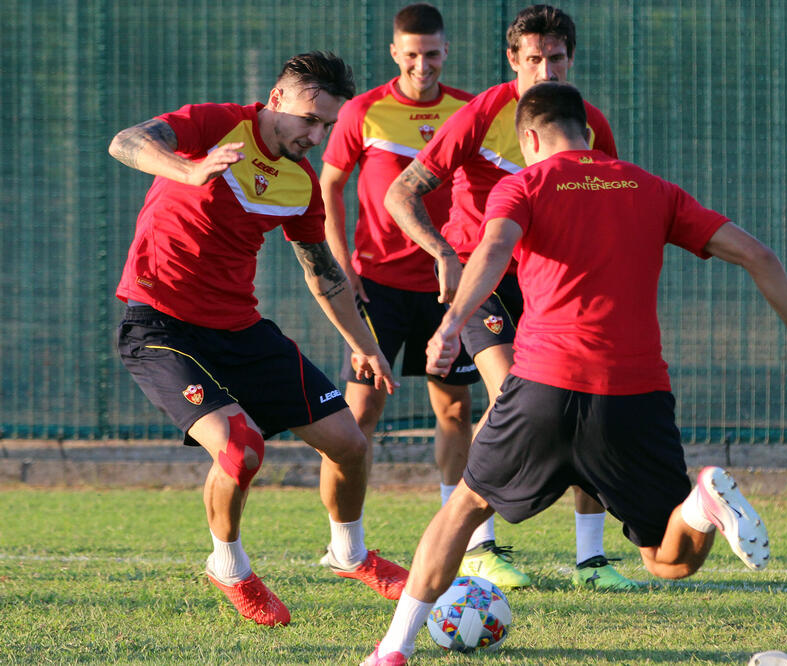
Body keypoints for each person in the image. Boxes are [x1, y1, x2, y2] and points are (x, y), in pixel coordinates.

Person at [361, 81, 787, 664]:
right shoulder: (651, 188)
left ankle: (393, 651)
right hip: (635, 397)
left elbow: (492, 250)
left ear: (529, 138)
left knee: (466, 507)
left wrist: (450, 325)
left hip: (542, 386)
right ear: (589, 133)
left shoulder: (524, 182)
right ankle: (701, 506)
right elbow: (758, 255)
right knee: (669, 561)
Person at [109, 51, 409, 627]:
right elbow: (125, 142)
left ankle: (350, 554)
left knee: (349, 442)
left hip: (241, 330)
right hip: (158, 322)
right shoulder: (214, 123)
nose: (316, 135)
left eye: (327, 125)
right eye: (309, 119)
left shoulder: (301, 183)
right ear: (275, 101)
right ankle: (229, 566)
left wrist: (363, 343)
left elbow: (322, 273)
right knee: (241, 448)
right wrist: (186, 169)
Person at [384, 3, 636, 592]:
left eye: (555, 59)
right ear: (512, 62)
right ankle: (478, 546)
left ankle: (591, 559)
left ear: (571, 59)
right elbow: (403, 193)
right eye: (533, 60)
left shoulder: (590, 123)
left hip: (554, 285)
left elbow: (611, 204)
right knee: (509, 405)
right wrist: (443, 253)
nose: (545, 72)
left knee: (587, 401)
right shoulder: (483, 113)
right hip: (485, 279)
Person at [318, 4, 479, 574]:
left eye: (432, 54)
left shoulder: (467, 110)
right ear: (394, 53)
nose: (422, 65)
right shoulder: (364, 111)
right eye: (411, 54)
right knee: (357, 415)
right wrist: (342, 261)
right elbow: (329, 185)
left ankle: (454, 531)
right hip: (377, 287)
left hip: (446, 288)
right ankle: (344, 542)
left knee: (455, 410)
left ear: (445, 51)